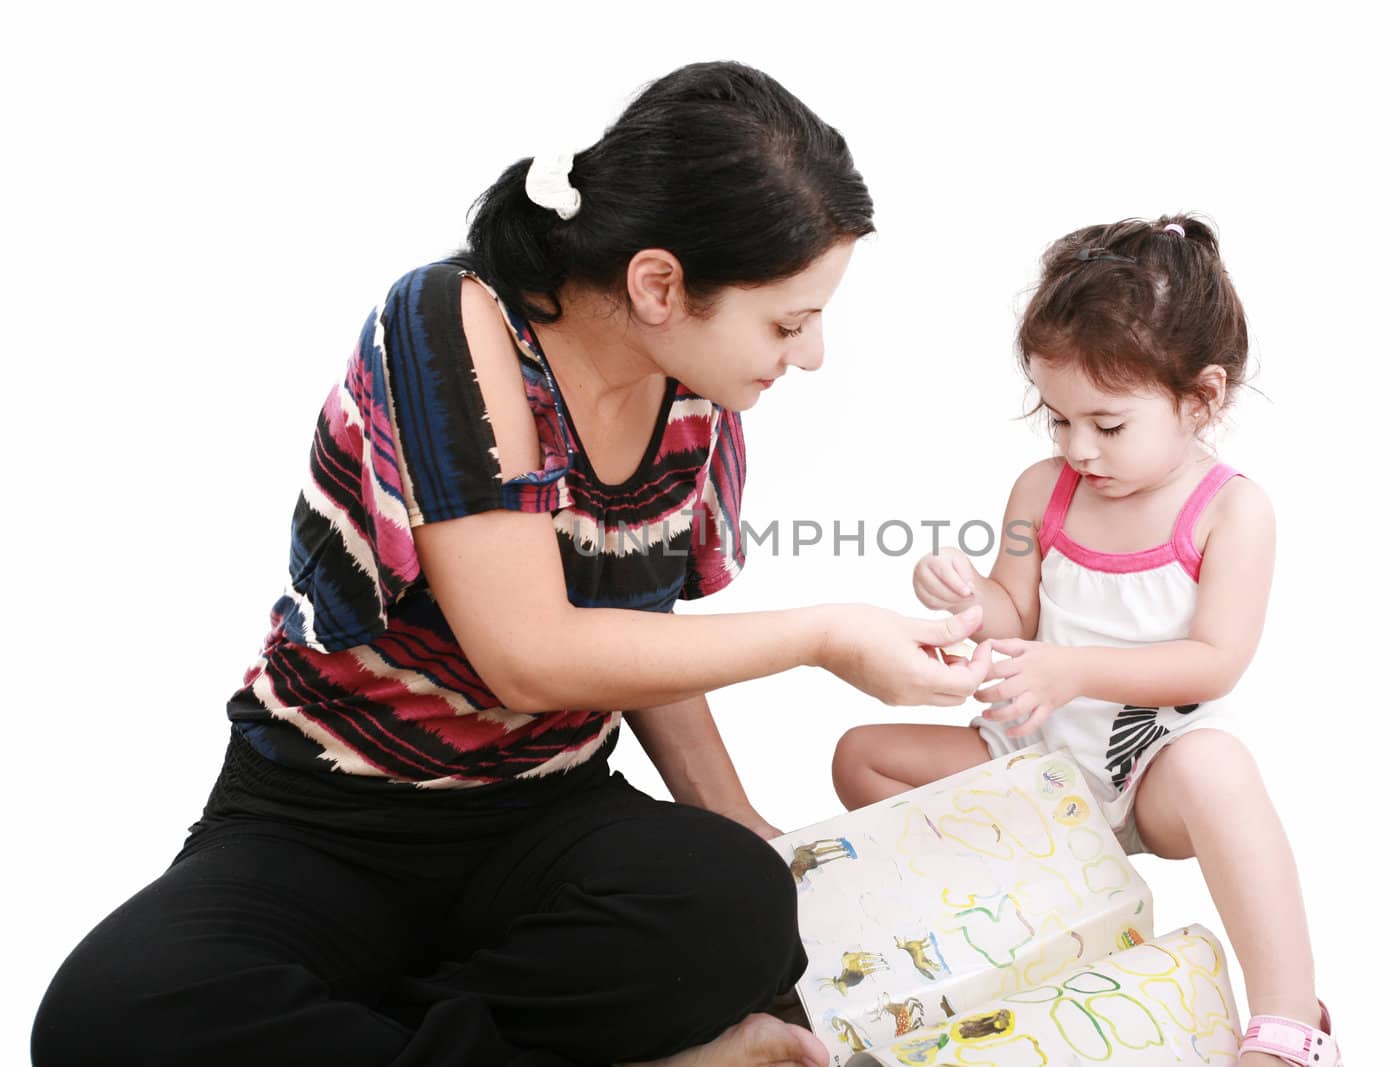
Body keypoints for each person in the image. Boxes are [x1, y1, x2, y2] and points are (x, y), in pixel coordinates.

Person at [32, 61, 992, 1067]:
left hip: (545, 814)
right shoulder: (447, 322)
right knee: (108, 1020)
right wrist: (827, 632)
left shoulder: (696, 384)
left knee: (734, 903)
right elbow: (526, 654)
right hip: (328, 817)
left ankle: (372, 1032)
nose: (811, 354)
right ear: (659, 283)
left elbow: (638, 634)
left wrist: (737, 819)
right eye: (789, 321)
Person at [831, 218, 1342, 1066]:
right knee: (862, 758)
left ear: (1202, 397)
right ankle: (1041, 921)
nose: (1077, 447)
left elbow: (1216, 658)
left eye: (1107, 425)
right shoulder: (1042, 491)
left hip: (1149, 772)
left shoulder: (1230, 511)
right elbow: (1015, 610)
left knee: (1222, 769)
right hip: (1032, 767)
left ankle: (1290, 1020)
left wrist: (1074, 671)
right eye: (1057, 418)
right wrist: (967, 599)